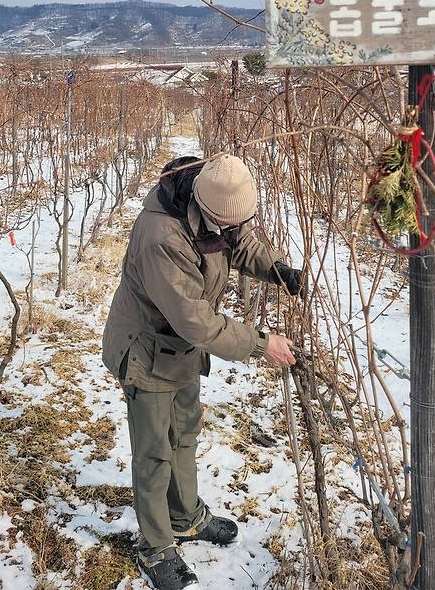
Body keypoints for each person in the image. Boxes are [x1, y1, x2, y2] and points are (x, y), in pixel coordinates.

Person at [102, 153, 302, 589]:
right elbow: (196, 321)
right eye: (226, 226)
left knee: (184, 434)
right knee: (155, 452)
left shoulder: (220, 200)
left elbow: (242, 241)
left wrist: (278, 271)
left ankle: (185, 516)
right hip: (147, 349)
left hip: (181, 350)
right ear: (203, 207)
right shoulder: (161, 236)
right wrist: (261, 342)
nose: (232, 232)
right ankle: (155, 547)